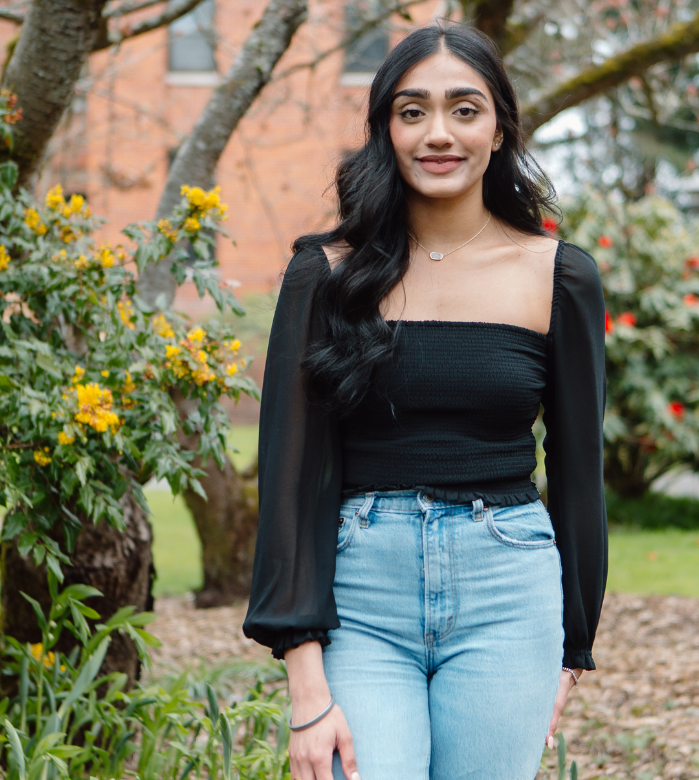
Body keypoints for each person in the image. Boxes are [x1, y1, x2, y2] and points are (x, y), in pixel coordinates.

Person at [242, 19, 607, 780]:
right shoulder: (326, 274)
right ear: (386, 131)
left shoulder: (557, 275)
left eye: (464, 109)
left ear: (500, 125)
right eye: (413, 112)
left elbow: (579, 472)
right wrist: (305, 683)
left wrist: (572, 650)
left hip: (508, 590)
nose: (438, 133)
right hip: (360, 594)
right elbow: (289, 475)